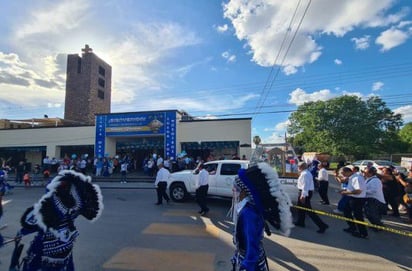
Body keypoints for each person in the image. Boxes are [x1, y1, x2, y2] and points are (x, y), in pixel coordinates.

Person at [10, 170, 104, 270]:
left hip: (47, 246)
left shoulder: (50, 207)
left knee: (33, 264)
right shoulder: (75, 207)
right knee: (66, 264)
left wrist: (20, 234)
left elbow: (31, 223)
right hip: (65, 244)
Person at [231, 162, 293, 271]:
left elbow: (252, 243)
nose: (233, 190)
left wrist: (247, 265)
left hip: (250, 262)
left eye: (236, 188)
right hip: (249, 257)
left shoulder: (248, 213)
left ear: (245, 192)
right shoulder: (250, 207)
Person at [294, 162, 329, 233]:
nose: (297, 168)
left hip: (305, 192)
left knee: (308, 210)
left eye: (298, 167)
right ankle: (300, 222)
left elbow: (305, 186)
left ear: (301, 167)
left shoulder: (305, 174)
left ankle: (322, 225)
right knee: (300, 208)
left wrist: (303, 195)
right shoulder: (306, 173)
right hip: (305, 192)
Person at [340, 166, 368, 239]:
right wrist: (345, 191)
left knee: (358, 216)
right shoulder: (352, 177)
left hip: (358, 199)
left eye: (343, 174)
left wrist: (347, 193)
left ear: (347, 172)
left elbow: (358, 191)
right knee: (346, 211)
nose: (343, 176)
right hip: (353, 198)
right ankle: (352, 227)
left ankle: (363, 233)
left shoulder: (356, 178)